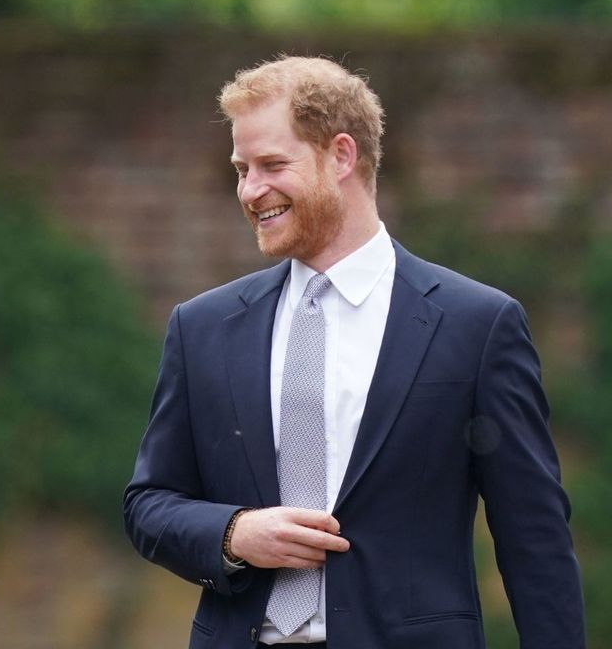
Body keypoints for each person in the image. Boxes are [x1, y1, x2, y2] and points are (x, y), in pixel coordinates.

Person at [123, 56, 583, 648]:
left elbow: (534, 538)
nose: (250, 190)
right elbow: (148, 504)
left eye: (271, 165)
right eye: (241, 169)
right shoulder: (202, 327)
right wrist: (232, 532)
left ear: (341, 155)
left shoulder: (477, 326)